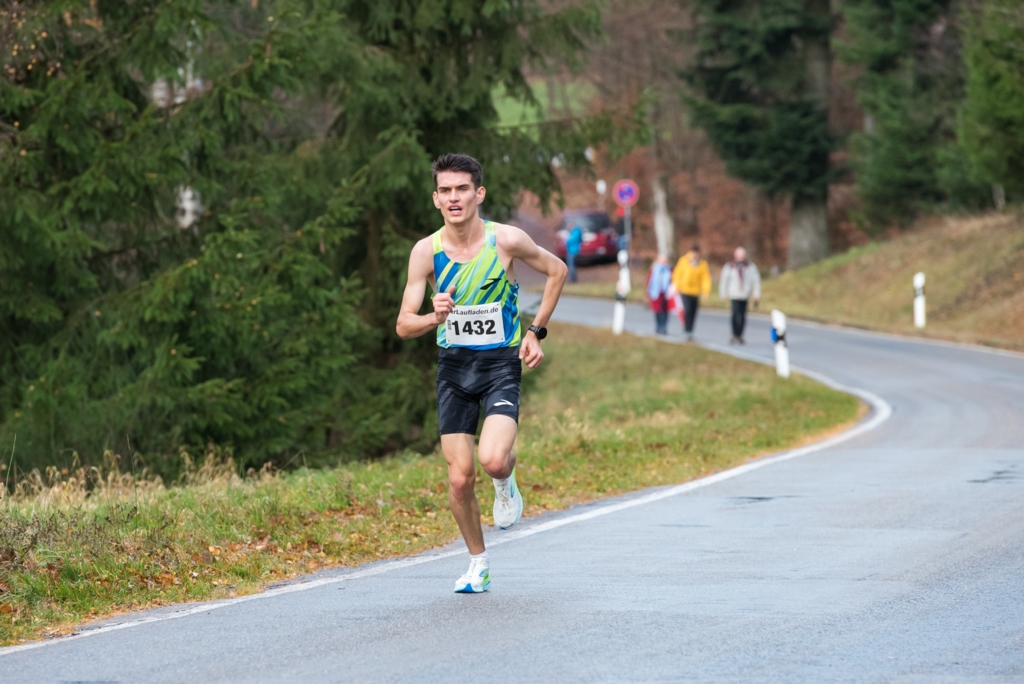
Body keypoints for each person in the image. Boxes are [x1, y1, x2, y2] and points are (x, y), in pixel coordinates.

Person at [396, 153, 568, 594]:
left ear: (479, 193)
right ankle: (478, 563)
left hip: (499, 365)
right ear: (436, 199)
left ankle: (506, 480)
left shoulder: (505, 240)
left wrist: (535, 332)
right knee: (458, 477)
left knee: (492, 460)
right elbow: (402, 325)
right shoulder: (426, 252)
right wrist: (434, 318)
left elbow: (557, 270)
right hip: (453, 368)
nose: (454, 198)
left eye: (462, 189)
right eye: (446, 191)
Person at [719, 246, 761, 345]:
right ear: (735, 255)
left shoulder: (750, 266)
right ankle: (734, 333)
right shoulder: (729, 266)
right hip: (734, 294)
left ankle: (740, 334)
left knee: (742, 315)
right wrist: (723, 293)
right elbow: (724, 280)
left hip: (745, 294)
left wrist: (756, 293)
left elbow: (756, 281)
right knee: (734, 314)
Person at [671, 244, 711, 342]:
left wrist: (706, 291)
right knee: (687, 310)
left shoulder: (702, 264)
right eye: (693, 253)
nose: (695, 255)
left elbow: (705, 278)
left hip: (696, 291)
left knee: (693, 312)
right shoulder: (684, 261)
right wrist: (677, 287)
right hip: (685, 290)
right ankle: (686, 330)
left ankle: (690, 331)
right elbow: (677, 274)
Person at [646, 254, 673, 335]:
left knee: (665, 311)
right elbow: (649, 281)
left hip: (666, 292)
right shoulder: (654, 269)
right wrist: (648, 293)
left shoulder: (670, 269)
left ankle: (664, 327)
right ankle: (658, 326)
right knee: (657, 310)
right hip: (656, 292)